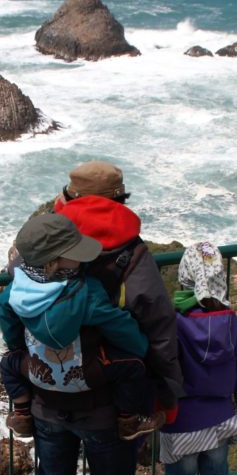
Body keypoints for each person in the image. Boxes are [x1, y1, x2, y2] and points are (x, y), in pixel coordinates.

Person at [0, 213, 165, 475]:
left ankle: (21, 413)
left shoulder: (14, 292)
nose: (84, 257)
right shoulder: (88, 294)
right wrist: (140, 346)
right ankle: (128, 418)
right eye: (75, 252)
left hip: (45, 407)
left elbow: (9, 329)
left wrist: (21, 347)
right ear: (54, 262)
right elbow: (126, 334)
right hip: (97, 411)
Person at [53, 161, 185, 415]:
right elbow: (159, 325)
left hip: (47, 387)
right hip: (108, 392)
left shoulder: (47, 241)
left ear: (69, 197)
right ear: (121, 200)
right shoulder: (133, 254)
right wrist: (168, 391)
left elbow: (15, 285)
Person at [159, 241, 237, 475]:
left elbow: (160, 373)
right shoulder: (232, 323)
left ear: (185, 275)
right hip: (221, 424)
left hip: (180, 426)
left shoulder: (171, 322)